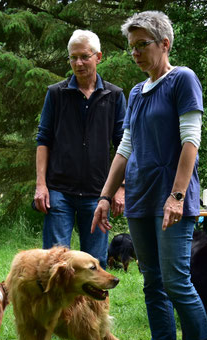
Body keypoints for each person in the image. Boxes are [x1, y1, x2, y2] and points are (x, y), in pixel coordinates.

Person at [92, 11, 207, 340]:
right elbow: (125, 148)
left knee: (176, 282)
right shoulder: (135, 92)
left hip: (171, 198)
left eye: (142, 45)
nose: (135, 53)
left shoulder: (183, 79)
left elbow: (191, 141)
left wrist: (177, 195)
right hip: (140, 198)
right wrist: (105, 196)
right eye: (131, 47)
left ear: (165, 43)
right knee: (153, 283)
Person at [34, 29, 126, 269]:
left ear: (98, 57)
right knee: (55, 262)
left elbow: (123, 144)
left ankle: (93, 298)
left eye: (84, 56)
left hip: (99, 192)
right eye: (73, 57)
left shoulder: (114, 96)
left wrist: (120, 187)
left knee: (96, 264)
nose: (78, 63)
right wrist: (41, 185)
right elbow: (43, 140)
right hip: (59, 191)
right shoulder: (56, 94)